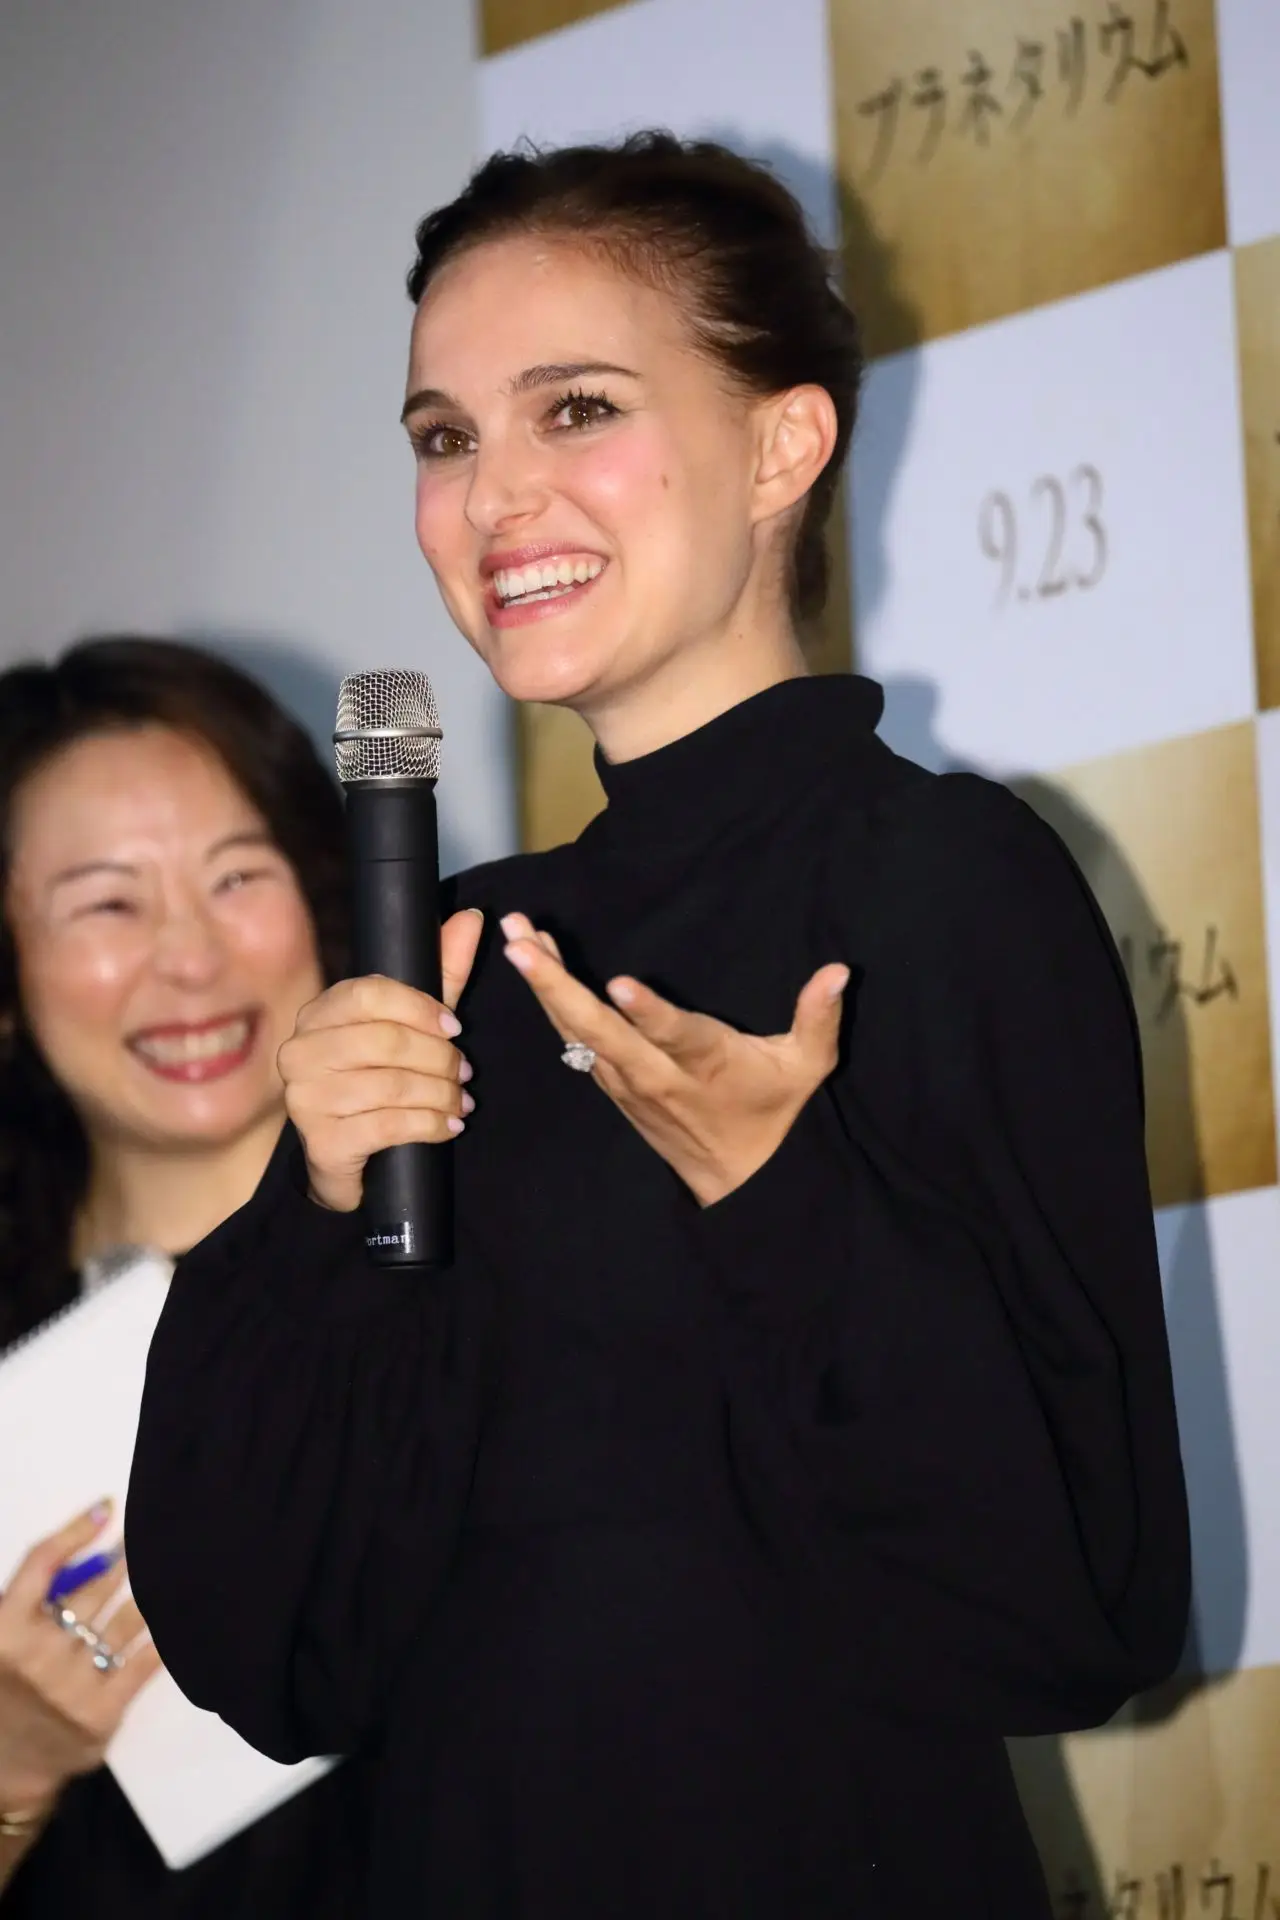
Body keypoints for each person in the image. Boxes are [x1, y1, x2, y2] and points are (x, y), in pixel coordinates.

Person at [127, 136, 1190, 1917]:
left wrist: (786, 1199)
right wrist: (310, 1222)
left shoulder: (941, 884)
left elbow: (1082, 1609)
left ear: (784, 443)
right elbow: (272, 1658)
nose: (492, 500)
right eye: (445, 437)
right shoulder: (455, 952)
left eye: (577, 410)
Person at [0, 637, 370, 1915]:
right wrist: (14, 1767)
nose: (193, 961)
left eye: (237, 877)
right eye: (108, 903)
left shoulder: (486, 1270)